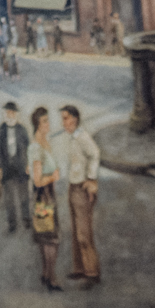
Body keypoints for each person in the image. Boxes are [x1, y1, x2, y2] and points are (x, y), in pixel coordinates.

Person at [56, 105, 100, 286]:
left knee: (83, 234)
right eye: (63, 119)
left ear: (74, 119)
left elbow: (95, 154)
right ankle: (80, 269)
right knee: (75, 232)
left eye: (65, 118)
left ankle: (92, 273)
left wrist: (91, 180)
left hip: (82, 188)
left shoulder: (82, 137)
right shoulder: (72, 138)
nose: (63, 122)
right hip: (73, 188)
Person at [27, 106, 62, 291]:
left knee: (46, 236)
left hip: (48, 195)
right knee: (51, 238)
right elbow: (38, 180)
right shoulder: (36, 147)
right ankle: (52, 277)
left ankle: (46, 273)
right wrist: (53, 177)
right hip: (43, 196)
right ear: (37, 125)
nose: (48, 124)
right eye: (45, 121)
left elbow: (30, 169)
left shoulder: (44, 142)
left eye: (48, 120)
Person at [0, 100, 30, 233]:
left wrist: (28, 164)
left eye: (12, 112)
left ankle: (26, 219)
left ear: (16, 114)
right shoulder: (1, 130)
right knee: (9, 198)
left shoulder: (22, 130)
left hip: (21, 166)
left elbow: (28, 148)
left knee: (24, 195)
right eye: (7, 112)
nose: (10, 115)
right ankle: (12, 223)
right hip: (7, 168)